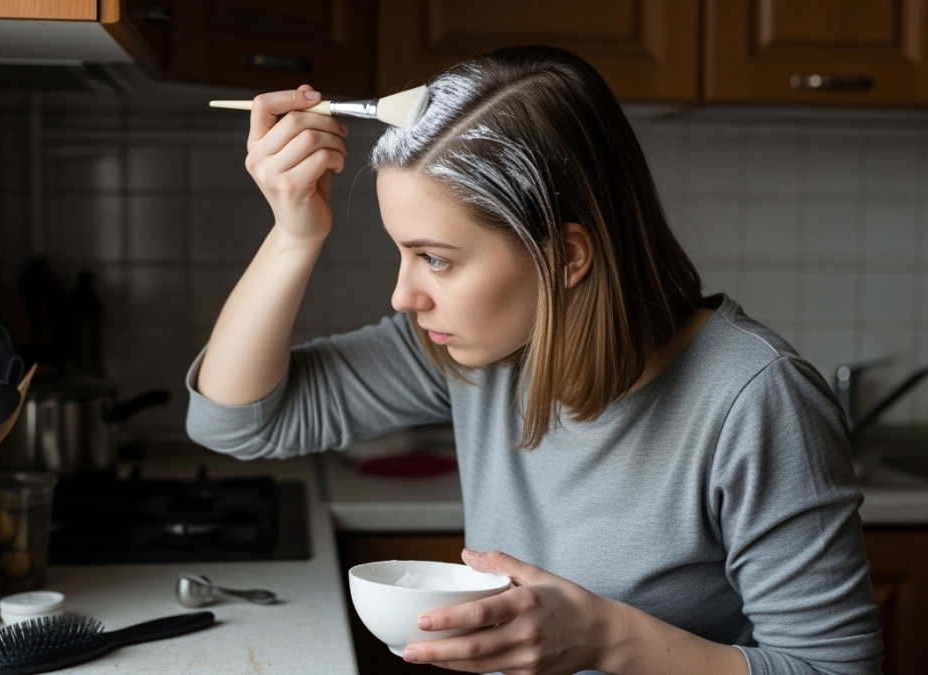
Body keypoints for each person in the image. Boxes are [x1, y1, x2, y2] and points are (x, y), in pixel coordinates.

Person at [187, 45, 882, 675]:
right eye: (404, 252)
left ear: (566, 256)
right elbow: (235, 421)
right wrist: (293, 236)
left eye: (436, 258)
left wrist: (607, 640)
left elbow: (836, 670)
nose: (403, 296)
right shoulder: (483, 351)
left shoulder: (755, 399)